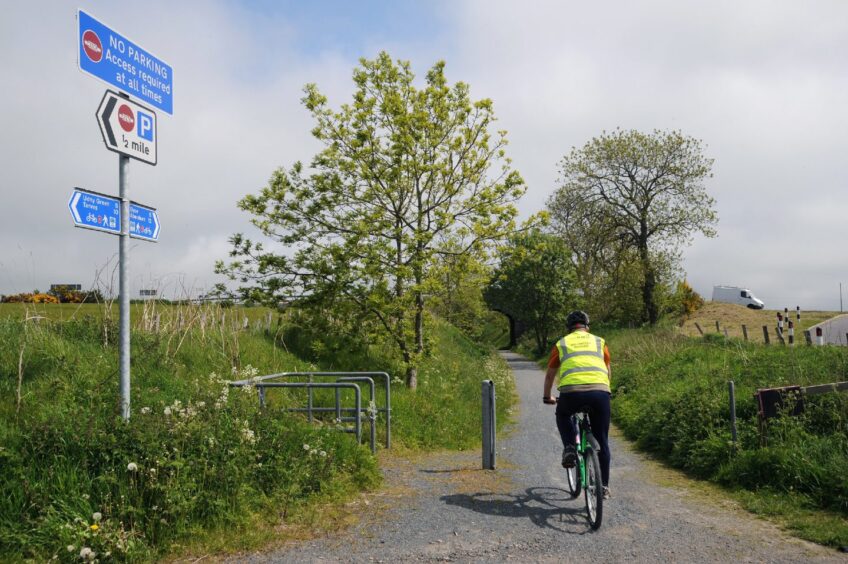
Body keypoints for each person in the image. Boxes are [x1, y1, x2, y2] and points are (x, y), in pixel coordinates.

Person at [543, 310, 612, 499]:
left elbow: (550, 374)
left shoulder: (562, 343)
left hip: (571, 393)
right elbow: (607, 370)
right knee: (603, 442)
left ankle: (570, 448)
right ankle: (604, 487)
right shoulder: (600, 342)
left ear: (569, 328)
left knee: (563, 414)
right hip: (600, 392)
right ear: (587, 326)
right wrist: (607, 390)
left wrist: (547, 397)